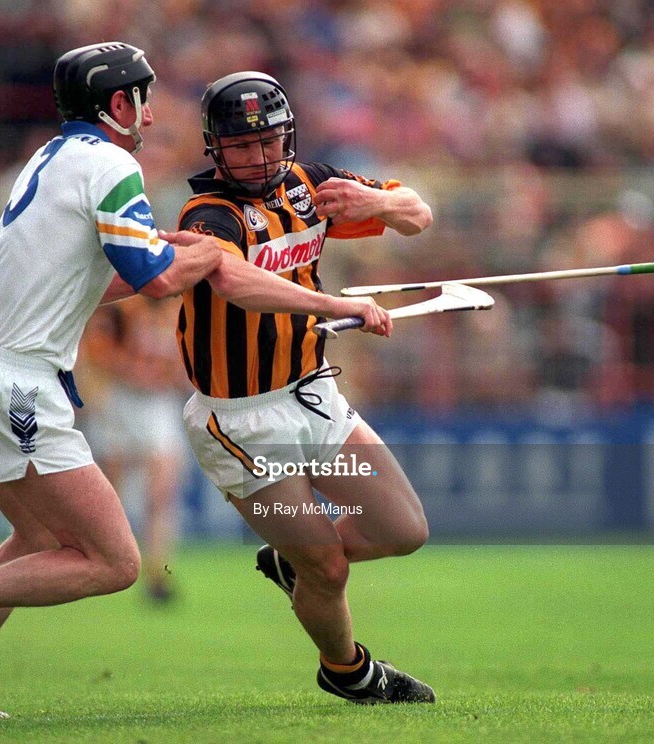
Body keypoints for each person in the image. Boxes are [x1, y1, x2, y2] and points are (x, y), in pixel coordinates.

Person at [0, 42, 225, 720]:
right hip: (16, 381)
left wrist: (173, 254)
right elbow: (156, 279)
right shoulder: (112, 164)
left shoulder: (54, 155)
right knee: (116, 562)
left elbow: (90, 284)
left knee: (38, 540)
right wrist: (212, 254)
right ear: (117, 103)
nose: (150, 113)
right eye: (142, 98)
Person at [176, 72, 436, 703]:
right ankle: (349, 672)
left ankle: (290, 562)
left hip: (313, 395)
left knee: (403, 531)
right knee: (328, 567)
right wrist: (335, 305)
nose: (259, 156)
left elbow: (419, 215)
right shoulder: (207, 216)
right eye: (242, 145)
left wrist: (375, 203)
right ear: (216, 147)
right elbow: (236, 283)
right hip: (240, 422)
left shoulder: (308, 184)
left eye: (269, 141)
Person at [77, 298, 188, 602]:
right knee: (112, 491)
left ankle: (157, 572)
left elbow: (183, 361)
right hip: (120, 401)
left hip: (159, 403)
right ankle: (103, 561)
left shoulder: (179, 310)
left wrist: (171, 375)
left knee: (161, 492)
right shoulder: (121, 307)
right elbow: (95, 351)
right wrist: (134, 371)